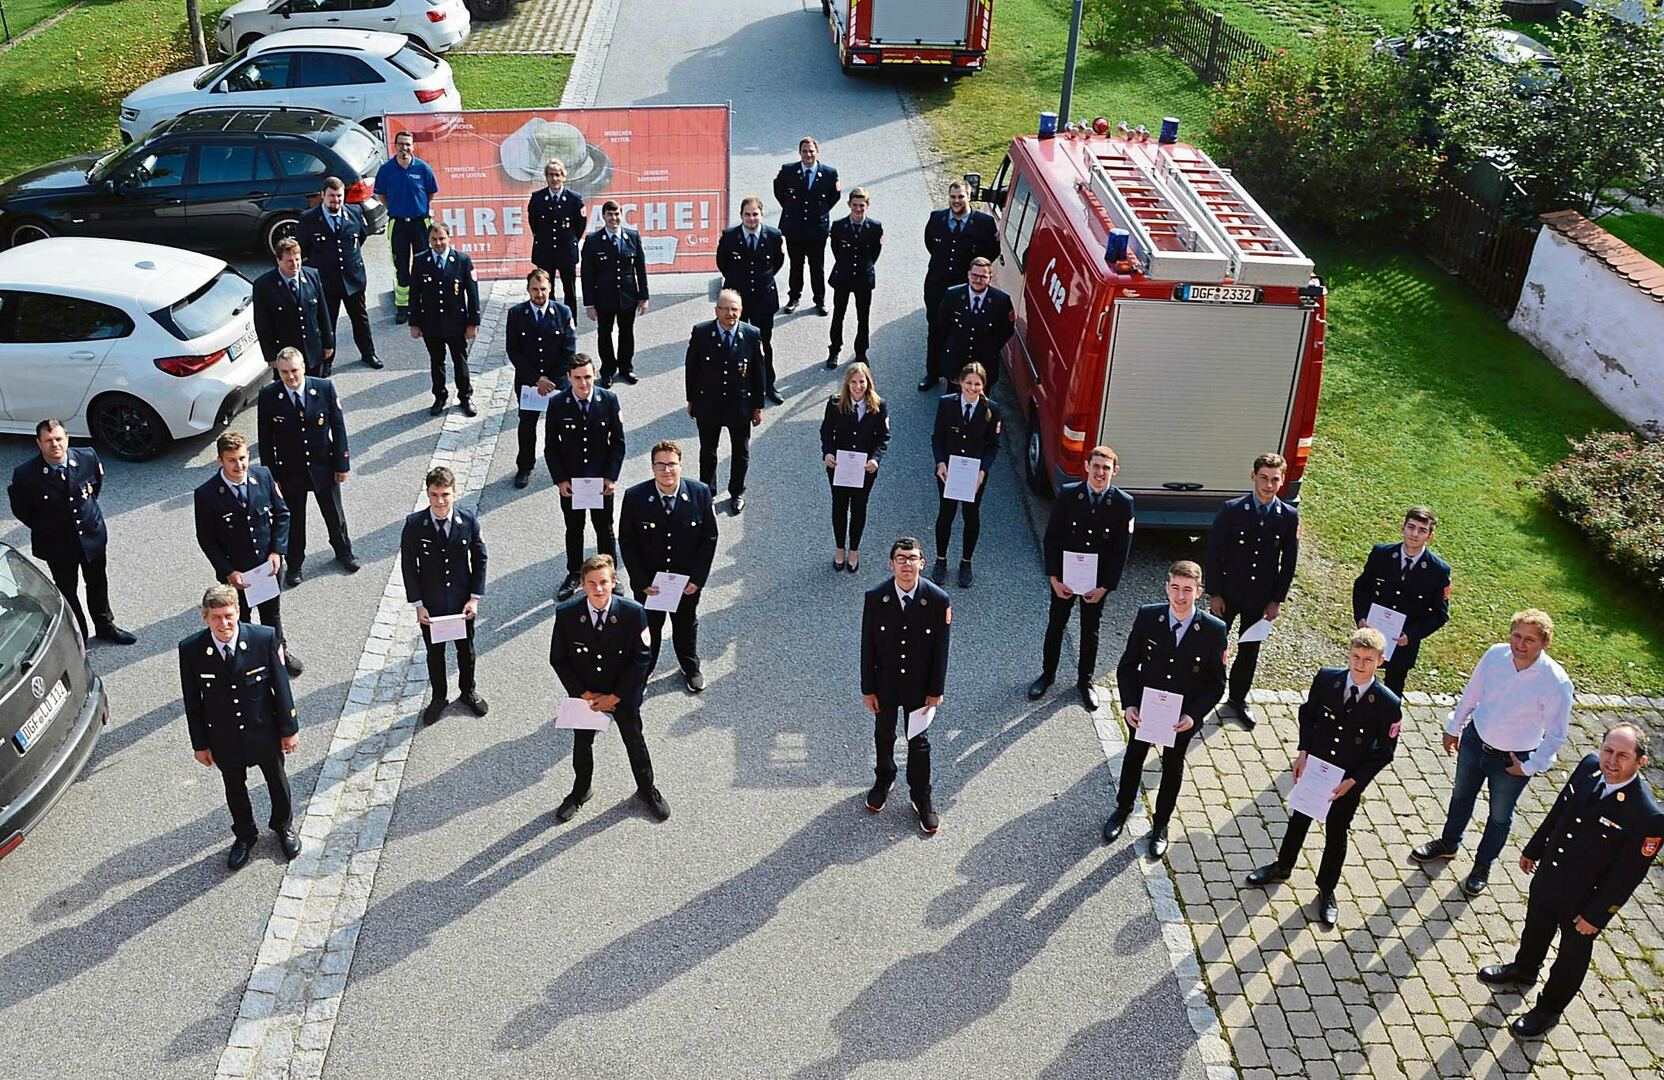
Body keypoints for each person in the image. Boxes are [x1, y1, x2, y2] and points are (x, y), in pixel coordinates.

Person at [1478, 723, 1664, 1039]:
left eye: (1622, 755)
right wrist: (1535, 847)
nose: (1611, 761)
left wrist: (1597, 915)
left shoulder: (1647, 815)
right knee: (1535, 927)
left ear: (1640, 761)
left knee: (1570, 957)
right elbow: (1561, 810)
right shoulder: (1589, 766)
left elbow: (1628, 875)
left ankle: (1549, 1009)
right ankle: (1524, 970)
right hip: (1551, 873)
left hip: (1585, 899)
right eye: (1608, 750)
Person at [1244, 628, 1402, 928]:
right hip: (1316, 767)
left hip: (1346, 779)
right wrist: (1303, 751)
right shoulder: (1328, 679)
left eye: (1368, 659)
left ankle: (1327, 889)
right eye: (1355, 656)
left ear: (1380, 661)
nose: (1359, 664)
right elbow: (1308, 714)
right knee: (1298, 820)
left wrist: (1354, 782)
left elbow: (1384, 752)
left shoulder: (1387, 704)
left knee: (1337, 833)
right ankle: (1283, 866)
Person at [1410, 609, 1574, 898]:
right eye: (1516, 636)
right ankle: (1449, 843)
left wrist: (1530, 766)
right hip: (1476, 741)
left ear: (1545, 643)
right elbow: (1471, 694)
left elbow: (1556, 735)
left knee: (1499, 815)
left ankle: (1482, 865)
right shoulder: (1495, 655)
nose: (1520, 644)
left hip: (1513, 759)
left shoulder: (1555, 682)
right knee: (1461, 797)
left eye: (1530, 640)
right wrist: (1454, 727)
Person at [1105, 561, 1229, 858]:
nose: (1180, 596)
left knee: (1172, 768)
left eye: (1187, 589)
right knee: (1134, 758)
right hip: (1145, 711)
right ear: (1166, 588)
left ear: (1199, 591)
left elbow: (1216, 683)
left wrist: (1194, 716)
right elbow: (1127, 666)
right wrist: (1129, 704)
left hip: (1180, 717)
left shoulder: (1214, 630)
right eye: (1175, 588)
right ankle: (1122, 809)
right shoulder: (1148, 616)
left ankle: (1161, 824)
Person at [180, 584, 300, 870]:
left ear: (237, 613)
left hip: (263, 730)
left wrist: (289, 728)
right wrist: (200, 744)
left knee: (277, 781)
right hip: (224, 735)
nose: (223, 623)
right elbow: (193, 702)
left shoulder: (262, 638)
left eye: (228, 615)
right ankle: (245, 835)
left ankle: (283, 826)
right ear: (205, 618)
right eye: (216, 617)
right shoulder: (191, 650)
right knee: (234, 788)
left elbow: (281, 687)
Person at [548, 554, 669, 823]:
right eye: (591, 583)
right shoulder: (567, 614)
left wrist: (616, 696)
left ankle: (647, 789)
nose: (598, 589)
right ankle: (581, 791)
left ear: (614, 582)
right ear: (582, 584)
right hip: (587, 695)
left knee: (634, 741)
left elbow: (641, 658)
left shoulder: (633, 612)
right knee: (582, 744)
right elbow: (559, 658)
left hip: (621, 693)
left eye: (603, 582)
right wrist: (584, 694)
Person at [6, 419, 135, 643]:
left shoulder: (87, 457)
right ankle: (79, 634)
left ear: (67, 438)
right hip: (57, 545)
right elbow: (22, 510)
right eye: (48, 440)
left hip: (90, 537)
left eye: (58, 438)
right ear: (39, 443)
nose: (55, 444)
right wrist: (50, 527)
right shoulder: (26, 475)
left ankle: (105, 626)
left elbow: (94, 488)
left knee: (97, 583)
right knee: (67, 590)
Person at [1031, 445, 1134, 710]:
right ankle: (1047, 675)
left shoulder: (1123, 503)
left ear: (1115, 471)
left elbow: (1121, 550)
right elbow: (1052, 538)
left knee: (1090, 631)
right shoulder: (1069, 495)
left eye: (1106, 468)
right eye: (1096, 466)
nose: (1100, 473)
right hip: (1065, 578)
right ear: (1087, 467)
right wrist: (1054, 578)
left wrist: (1105, 587)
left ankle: (1085, 682)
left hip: (1095, 583)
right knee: (1056, 625)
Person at [861, 537, 952, 834]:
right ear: (891, 564)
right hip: (885, 683)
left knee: (919, 742)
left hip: (919, 686)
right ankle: (884, 777)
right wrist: (868, 688)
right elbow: (868, 646)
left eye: (912, 558)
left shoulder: (937, 600)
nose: (907, 564)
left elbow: (941, 649)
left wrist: (935, 691)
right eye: (901, 558)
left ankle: (921, 796)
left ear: (922, 564)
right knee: (884, 734)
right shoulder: (876, 597)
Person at [193, 431, 302, 677]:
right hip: (237, 573)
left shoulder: (262, 476)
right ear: (220, 460)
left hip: (266, 566)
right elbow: (207, 540)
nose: (239, 465)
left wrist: (277, 552)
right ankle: (249, 661)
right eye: (231, 460)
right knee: (241, 620)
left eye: (242, 458)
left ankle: (278, 653)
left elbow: (282, 514)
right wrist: (228, 572)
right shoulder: (207, 494)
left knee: (272, 615)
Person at [1204, 453, 1300, 729]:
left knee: (1249, 650)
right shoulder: (1232, 510)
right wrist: (1215, 593)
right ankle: (1205, 694)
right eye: (1263, 478)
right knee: (1214, 645)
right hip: (1228, 593)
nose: (1268, 485)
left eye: (1275, 479)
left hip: (1260, 598)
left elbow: (1288, 563)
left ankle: (1237, 699)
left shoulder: (1288, 516)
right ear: (1253, 476)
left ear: (1282, 481)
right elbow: (1214, 554)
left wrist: (1276, 600)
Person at [617, 441, 719, 694]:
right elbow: (627, 542)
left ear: (680, 465)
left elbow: (709, 538)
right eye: (660, 465)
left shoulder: (700, 493)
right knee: (649, 628)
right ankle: (644, 670)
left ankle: (690, 667)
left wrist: (697, 578)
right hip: (650, 583)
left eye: (671, 464)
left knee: (685, 625)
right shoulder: (635, 497)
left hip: (685, 583)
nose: (666, 470)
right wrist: (641, 581)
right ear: (652, 467)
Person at [255, 348, 358, 586]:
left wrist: (342, 463)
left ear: (303, 367)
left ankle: (344, 552)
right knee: (294, 521)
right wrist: (271, 477)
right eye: (284, 372)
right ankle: (295, 564)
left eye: (294, 370)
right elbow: (266, 440)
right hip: (290, 471)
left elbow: (338, 428)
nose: (290, 377)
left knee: (334, 515)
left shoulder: (323, 388)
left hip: (323, 466)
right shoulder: (269, 395)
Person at [400, 466, 488, 726]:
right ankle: (439, 697)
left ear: (454, 492)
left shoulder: (468, 520)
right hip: (432, 603)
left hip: (462, 602)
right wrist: (418, 605)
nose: (440, 501)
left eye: (445, 494)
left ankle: (468, 691)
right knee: (435, 654)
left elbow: (480, 559)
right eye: (434, 494)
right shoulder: (414, 524)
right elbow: (409, 566)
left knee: (466, 650)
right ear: (427, 493)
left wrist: (474, 598)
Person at [546, 354, 625, 602]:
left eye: (588, 377)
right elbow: (551, 446)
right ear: (568, 377)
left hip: (600, 481)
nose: (584, 383)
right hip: (573, 481)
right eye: (578, 378)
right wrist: (560, 480)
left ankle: (610, 574)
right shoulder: (558, 403)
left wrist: (611, 477)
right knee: (574, 528)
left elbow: (618, 442)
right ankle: (574, 573)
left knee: (605, 528)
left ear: (595, 375)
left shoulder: (608, 400)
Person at [1351, 506, 1451, 695]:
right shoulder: (1381, 554)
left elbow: (1440, 614)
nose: (1414, 534)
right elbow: (1362, 587)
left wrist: (1411, 635)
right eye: (1411, 527)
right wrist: (1361, 618)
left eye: (1422, 530)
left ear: (1430, 536)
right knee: (1357, 682)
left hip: (1402, 645)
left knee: (1392, 693)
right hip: (1371, 636)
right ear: (1402, 527)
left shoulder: (1437, 571)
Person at [685, 289, 766, 515]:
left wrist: (758, 406)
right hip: (708, 403)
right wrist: (691, 399)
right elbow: (692, 368)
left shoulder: (751, 334)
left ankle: (737, 491)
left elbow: (759, 373)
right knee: (708, 452)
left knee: (741, 452)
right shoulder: (702, 332)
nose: (731, 314)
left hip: (739, 405)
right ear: (716, 311)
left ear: (741, 310)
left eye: (735, 309)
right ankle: (708, 493)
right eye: (726, 309)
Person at [921, 180, 998, 392]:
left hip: (965, 290)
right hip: (937, 286)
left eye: (961, 196)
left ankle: (957, 378)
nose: (956, 201)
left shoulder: (984, 223)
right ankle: (932, 373)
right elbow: (930, 243)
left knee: (961, 335)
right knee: (935, 330)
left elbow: (990, 253)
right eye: (953, 197)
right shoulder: (936, 219)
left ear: (969, 197)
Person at [298, 175, 381, 370]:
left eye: (339, 196)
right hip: (326, 282)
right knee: (327, 324)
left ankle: (368, 354)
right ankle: (327, 361)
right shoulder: (308, 219)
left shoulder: (355, 212)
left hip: (353, 278)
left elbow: (360, 238)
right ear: (323, 195)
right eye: (331, 196)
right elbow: (304, 249)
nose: (336, 200)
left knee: (360, 320)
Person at [930, 362, 999, 588]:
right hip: (949, 471)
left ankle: (966, 562)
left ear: (983, 386)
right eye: (968, 383)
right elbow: (937, 439)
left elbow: (993, 446)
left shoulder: (992, 410)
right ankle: (941, 560)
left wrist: (983, 471)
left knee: (971, 516)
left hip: (974, 474)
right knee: (946, 514)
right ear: (960, 382)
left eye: (977, 384)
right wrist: (940, 463)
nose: (972, 388)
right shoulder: (946, 404)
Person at [506, 268, 577, 488]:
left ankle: (567, 467)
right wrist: (537, 379)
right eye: (535, 289)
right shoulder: (516, 314)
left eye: (543, 289)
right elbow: (513, 351)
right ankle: (525, 466)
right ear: (528, 289)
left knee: (564, 426)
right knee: (527, 426)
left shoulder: (563, 312)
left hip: (557, 383)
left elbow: (569, 350)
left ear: (550, 288)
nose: (539, 294)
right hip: (529, 383)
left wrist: (550, 380)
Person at [819, 362, 889, 574]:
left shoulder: (878, 405)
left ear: (868, 382)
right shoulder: (835, 404)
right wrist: (828, 453)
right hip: (839, 466)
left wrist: (876, 459)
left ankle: (854, 550)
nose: (858, 387)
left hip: (864, 469)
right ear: (847, 384)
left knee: (859, 508)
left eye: (862, 382)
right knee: (839, 507)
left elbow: (883, 437)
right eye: (853, 382)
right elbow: (826, 432)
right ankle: (840, 548)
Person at [715, 195, 785, 403]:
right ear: (741, 216)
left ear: (762, 214)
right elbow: (722, 263)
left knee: (764, 344)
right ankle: (740, 387)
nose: (751, 219)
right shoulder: (730, 237)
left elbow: (777, 262)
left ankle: (768, 385)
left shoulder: (774, 236)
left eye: (755, 214)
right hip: (738, 302)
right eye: (747, 214)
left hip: (764, 299)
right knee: (737, 344)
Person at [408, 222, 481, 417]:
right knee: (437, 361)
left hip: (456, 322)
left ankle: (465, 396)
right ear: (428, 240)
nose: (438, 243)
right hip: (431, 323)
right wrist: (414, 323)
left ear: (449, 238)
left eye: (442, 238)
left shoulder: (462, 260)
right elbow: (414, 294)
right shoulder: (421, 261)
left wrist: (473, 322)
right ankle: (439, 396)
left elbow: (472, 294)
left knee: (460, 360)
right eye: (434, 239)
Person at [580, 200, 650, 387]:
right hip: (603, 298)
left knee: (627, 333)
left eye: (617, 214)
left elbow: (640, 269)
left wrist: (643, 297)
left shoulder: (632, 236)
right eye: (610, 214)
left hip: (628, 296)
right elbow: (587, 275)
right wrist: (589, 304)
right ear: (603, 216)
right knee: (605, 334)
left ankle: (626, 368)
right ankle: (608, 370)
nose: (614, 218)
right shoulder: (593, 241)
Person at [374, 129, 439, 323]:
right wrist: (397, 209)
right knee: (400, 265)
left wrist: (417, 208)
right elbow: (381, 195)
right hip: (398, 224)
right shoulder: (386, 170)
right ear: (395, 146)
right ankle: (403, 306)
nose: (404, 148)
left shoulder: (423, 168)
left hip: (420, 223)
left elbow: (430, 193)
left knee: (424, 263)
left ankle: (424, 303)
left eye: (408, 144)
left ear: (413, 147)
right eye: (401, 144)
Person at [773, 135, 840, 316]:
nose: (808, 154)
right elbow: (779, 191)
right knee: (796, 265)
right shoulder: (788, 171)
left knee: (817, 267)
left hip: (817, 230)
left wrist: (819, 212)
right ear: (800, 152)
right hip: (794, 228)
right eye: (804, 151)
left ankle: (820, 300)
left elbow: (834, 197)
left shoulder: (829, 174)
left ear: (817, 152)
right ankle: (794, 298)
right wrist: (791, 209)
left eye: (811, 151)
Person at [252, 238, 334, 376]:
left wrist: (328, 343)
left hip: (313, 352)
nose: (295, 265)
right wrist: (271, 356)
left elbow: (322, 312)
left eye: (297, 259)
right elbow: (262, 324)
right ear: (278, 260)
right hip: (286, 356)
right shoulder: (264, 286)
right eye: (289, 261)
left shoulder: (312, 275)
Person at [936, 258, 1014, 391]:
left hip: (984, 362)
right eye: (974, 275)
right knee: (953, 398)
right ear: (968, 274)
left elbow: (1006, 330)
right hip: (957, 360)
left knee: (980, 400)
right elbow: (943, 325)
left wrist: (990, 348)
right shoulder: (953, 295)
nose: (978, 280)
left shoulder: (1001, 301)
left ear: (990, 277)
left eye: (983, 277)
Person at [826, 187, 882, 369]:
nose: (858, 209)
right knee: (838, 314)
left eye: (862, 205)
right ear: (849, 204)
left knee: (863, 317)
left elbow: (874, 253)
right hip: (843, 276)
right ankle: (834, 349)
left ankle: (861, 352)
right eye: (855, 205)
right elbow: (836, 250)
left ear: (868, 205)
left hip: (863, 278)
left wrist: (863, 267)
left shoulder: (875, 227)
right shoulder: (838, 226)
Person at [527, 157, 587, 314]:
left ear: (563, 177)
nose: (554, 179)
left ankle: (570, 320)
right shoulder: (537, 199)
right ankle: (549, 319)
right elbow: (534, 224)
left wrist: (570, 241)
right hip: (545, 252)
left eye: (557, 175)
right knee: (547, 289)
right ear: (546, 177)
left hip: (566, 251)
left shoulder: (575, 200)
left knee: (569, 290)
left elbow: (580, 226)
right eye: (551, 175)